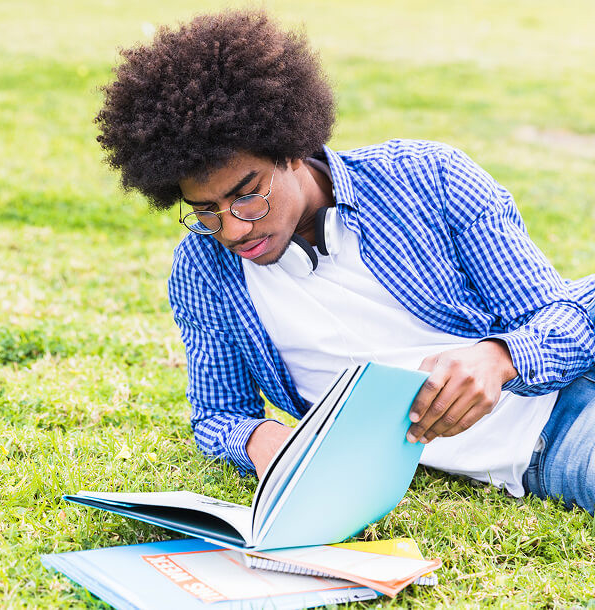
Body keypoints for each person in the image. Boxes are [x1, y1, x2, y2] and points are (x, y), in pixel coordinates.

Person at [95, 10, 595, 511]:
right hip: (533, 463)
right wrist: (260, 439)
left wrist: (500, 358)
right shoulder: (204, 269)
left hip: (565, 411)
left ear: (291, 150)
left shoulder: (429, 177)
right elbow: (218, 414)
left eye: (247, 196)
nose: (233, 229)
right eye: (205, 210)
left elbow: (571, 318)